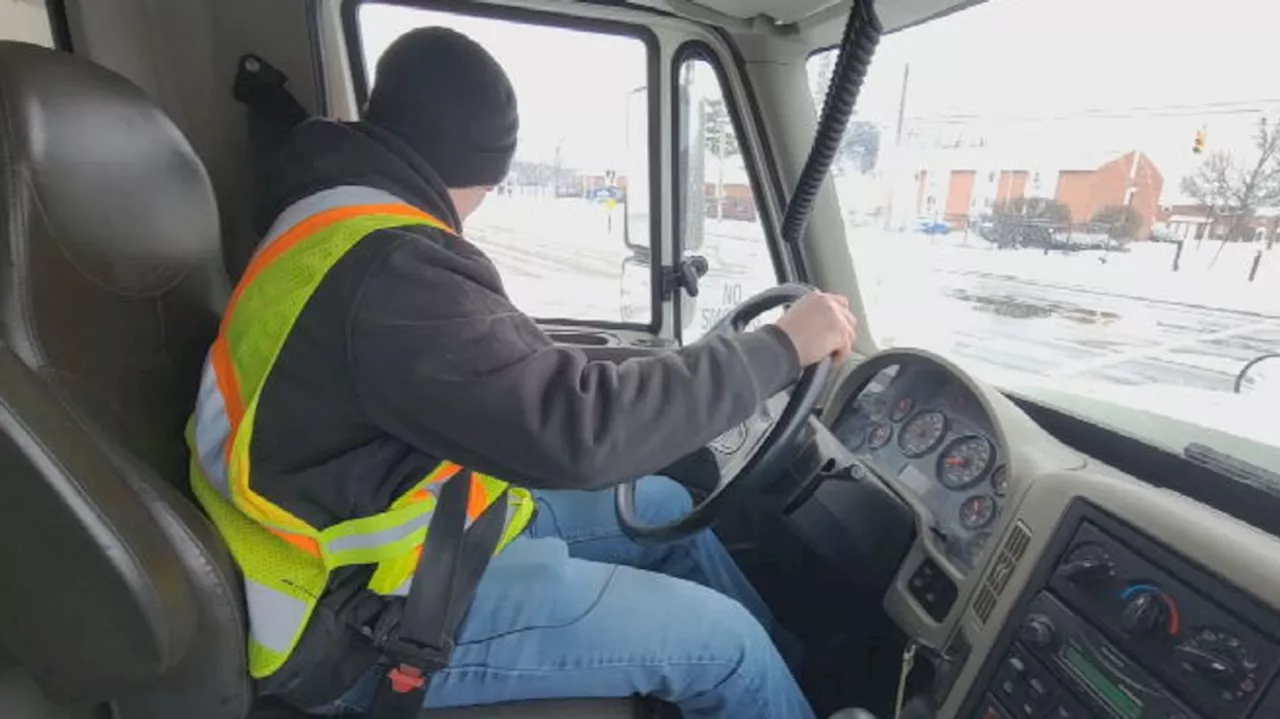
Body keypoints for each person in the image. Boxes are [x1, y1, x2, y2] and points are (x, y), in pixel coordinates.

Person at [190, 26, 857, 719]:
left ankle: (797, 695)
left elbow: (509, 366)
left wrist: (678, 368)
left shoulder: (336, 223)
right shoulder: (390, 266)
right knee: (726, 645)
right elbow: (578, 433)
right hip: (352, 625)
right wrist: (780, 348)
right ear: (483, 168)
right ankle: (770, 687)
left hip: (404, 542)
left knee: (661, 505)